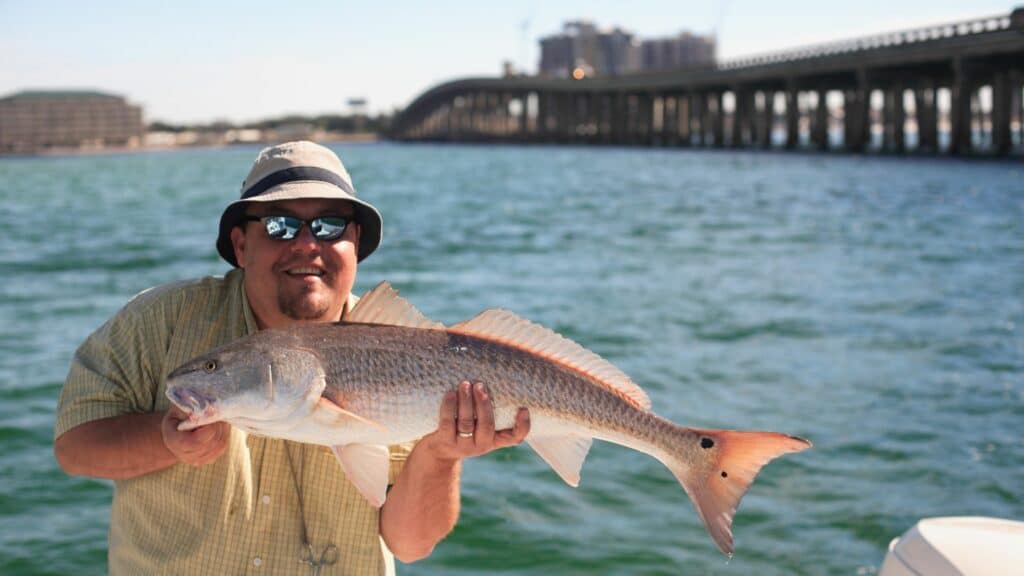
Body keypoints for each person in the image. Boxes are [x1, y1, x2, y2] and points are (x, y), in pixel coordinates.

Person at [54, 140, 531, 575]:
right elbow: (74, 448)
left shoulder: (407, 351)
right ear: (241, 245)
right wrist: (167, 441)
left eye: (329, 225)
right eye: (280, 225)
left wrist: (441, 454)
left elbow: (410, 543)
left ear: (355, 244)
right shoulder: (159, 320)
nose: (307, 244)